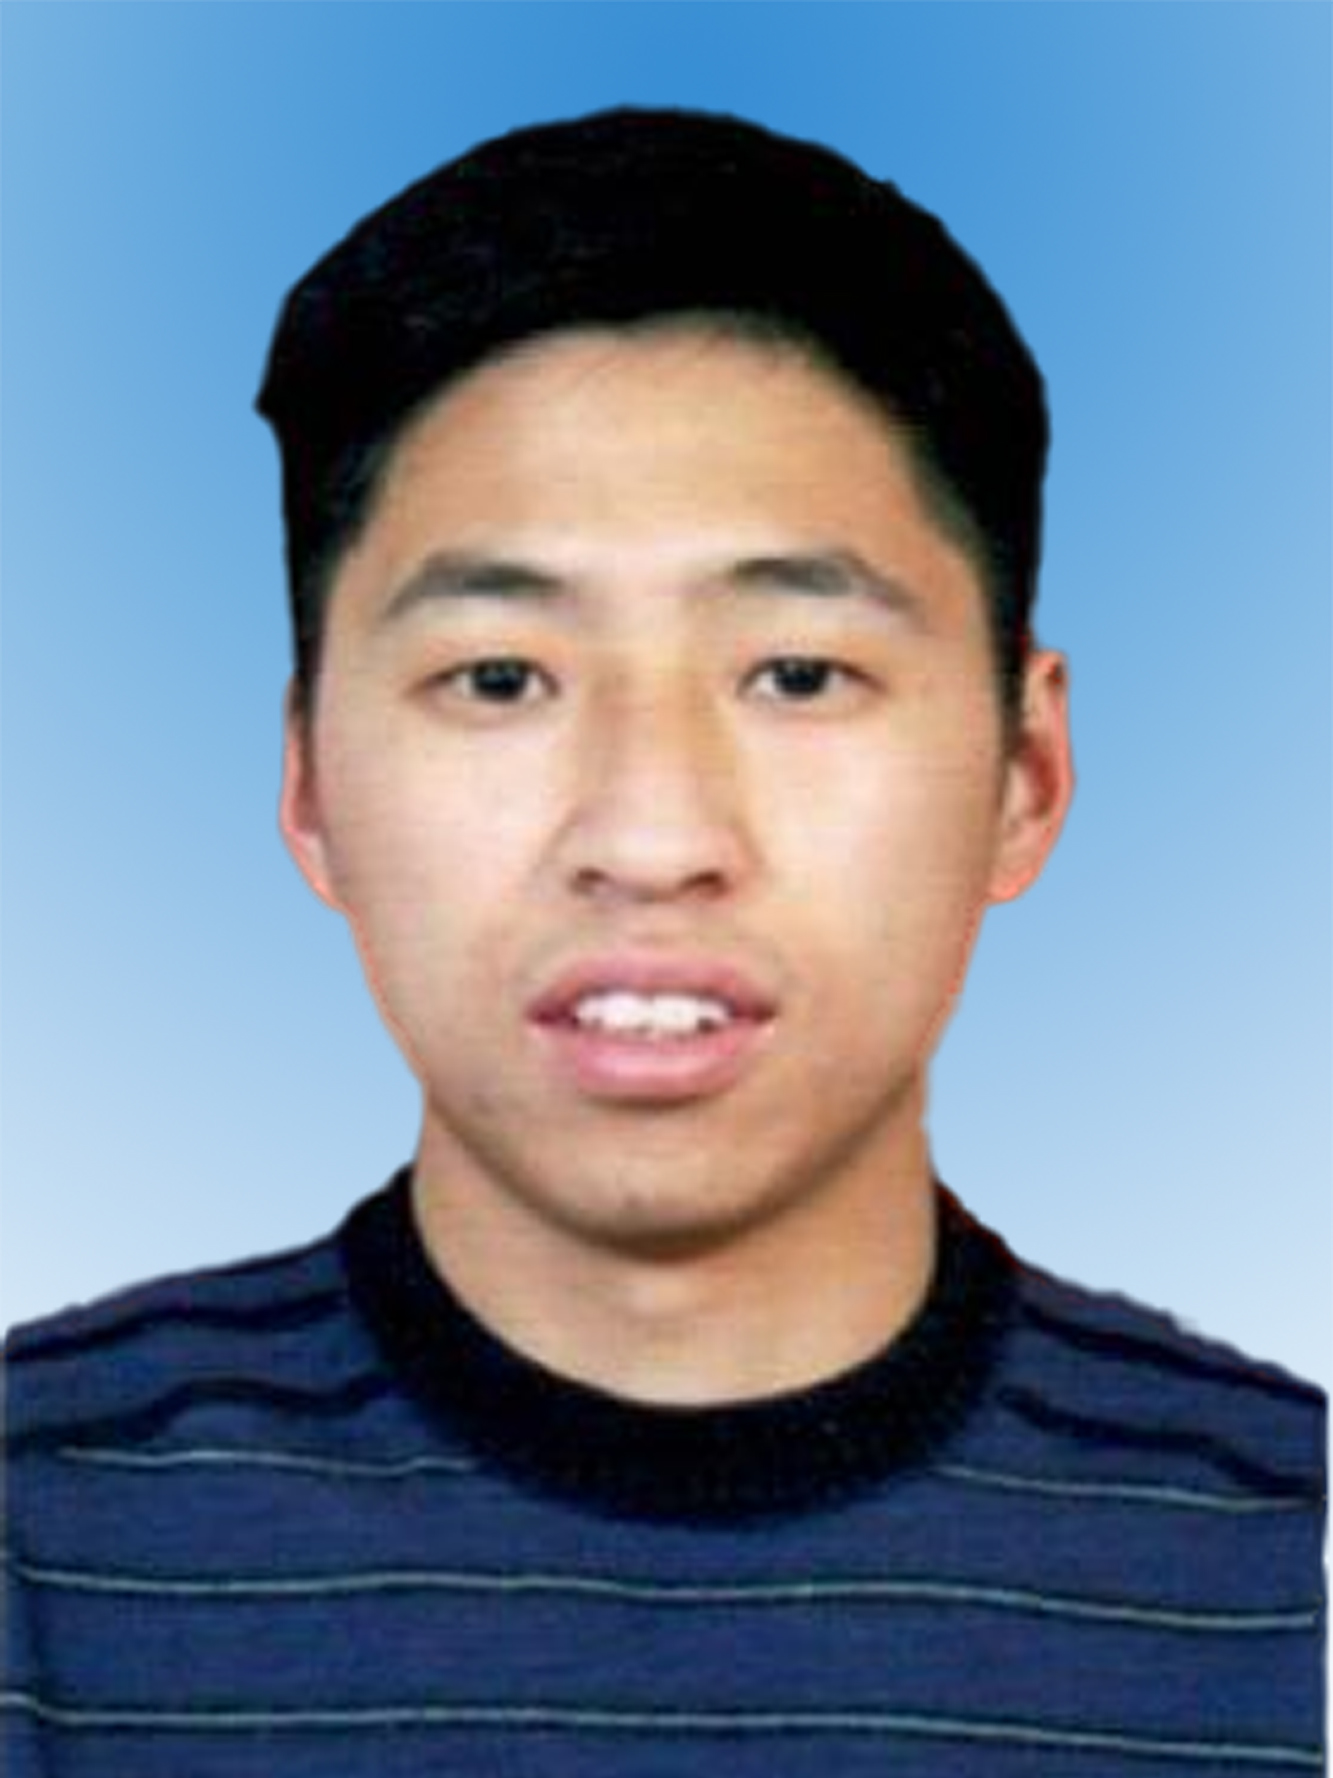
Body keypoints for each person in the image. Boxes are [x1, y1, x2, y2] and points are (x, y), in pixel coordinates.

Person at [4, 107, 1323, 1777]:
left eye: (796, 674)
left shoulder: (1286, 1570)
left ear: (1025, 772)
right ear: (310, 782)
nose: (648, 837)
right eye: (500, 678)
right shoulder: (38, 1544)